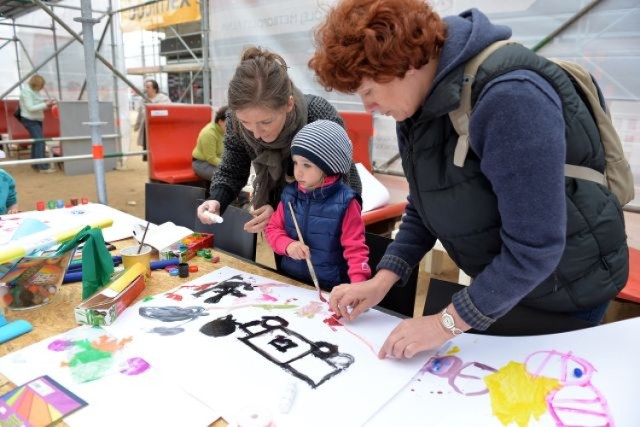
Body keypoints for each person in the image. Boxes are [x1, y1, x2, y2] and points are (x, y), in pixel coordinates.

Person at [309, 0, 628, 359]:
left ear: (403, 64)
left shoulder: (510, 98)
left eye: (368, 92)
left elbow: (535, 248)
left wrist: (442, 323)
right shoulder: (417, 107)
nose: (368, 108)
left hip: (566, 287)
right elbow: (424, 206)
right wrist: (380, 282)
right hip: (504, 280)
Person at [196, 46, 362, 234]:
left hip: (326, 229)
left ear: (288, 104)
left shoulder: (318, 117)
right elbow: (231, 170)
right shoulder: (235, 122)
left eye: (266, 121)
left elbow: (340, 193)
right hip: (280, 229)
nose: (256, 134)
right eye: (245, 122)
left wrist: (281, 213)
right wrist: (216, 199)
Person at [265, 120, 371, 290]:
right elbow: (272, 229)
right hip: (291, 283)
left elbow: (356, 251)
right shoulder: (290, 195)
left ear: (329, 166)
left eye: (307, 165)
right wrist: (288, 245)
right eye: (295, 163)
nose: (298, 172)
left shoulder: (346, 202)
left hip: (331, 288)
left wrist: (358, 287)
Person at [19, 74, 56, 173]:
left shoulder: (34, 91)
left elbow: (37, 104)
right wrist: (45, 104)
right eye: (41, 85)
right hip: (30, 119)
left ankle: (36, 164)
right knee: (40, 141)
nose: (42, 88)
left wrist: (46, 104)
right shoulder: (26, 92)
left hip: (36, 119)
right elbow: (30, 107)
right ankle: (42, 166)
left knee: (36, 141)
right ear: (36, 84)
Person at [134, 79, 171, 161]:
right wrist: (137, 125)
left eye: (148, 87)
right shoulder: (143, 100)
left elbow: (167, 111)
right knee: (147, 148)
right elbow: (140, 114)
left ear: (154, 88)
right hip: (146, 128)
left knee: (160, 148)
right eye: (145, 87)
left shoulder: (163, 99)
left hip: (159, 128)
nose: (145, 89)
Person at [192, 106, 228, 181]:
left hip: (217, 161)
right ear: (220, 121)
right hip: (202, 164)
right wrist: (228, 165)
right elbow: (211, 159)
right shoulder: (209, 133)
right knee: (227, 177)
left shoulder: (224, 131)